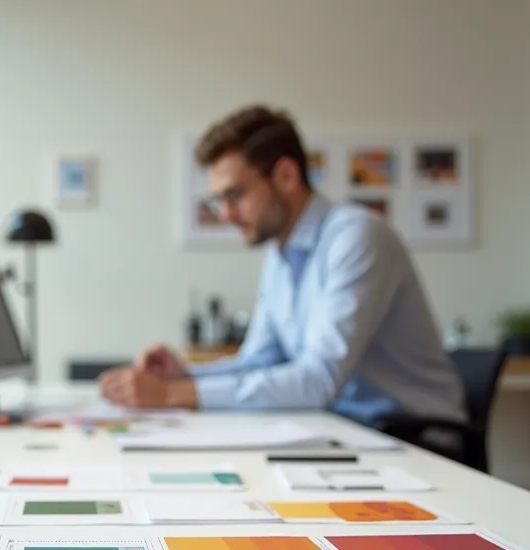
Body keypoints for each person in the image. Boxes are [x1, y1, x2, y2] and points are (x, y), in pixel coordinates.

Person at [98, 105, 466, 425]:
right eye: (219, 202)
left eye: (235, 195)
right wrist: (183, 375)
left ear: (286, 176)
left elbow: (318, 380)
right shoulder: (280, 254)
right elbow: (261, 360)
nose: (226, 214)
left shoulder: (356, 237)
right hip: (346, 428)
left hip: (416, 436)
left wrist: (170, 395)